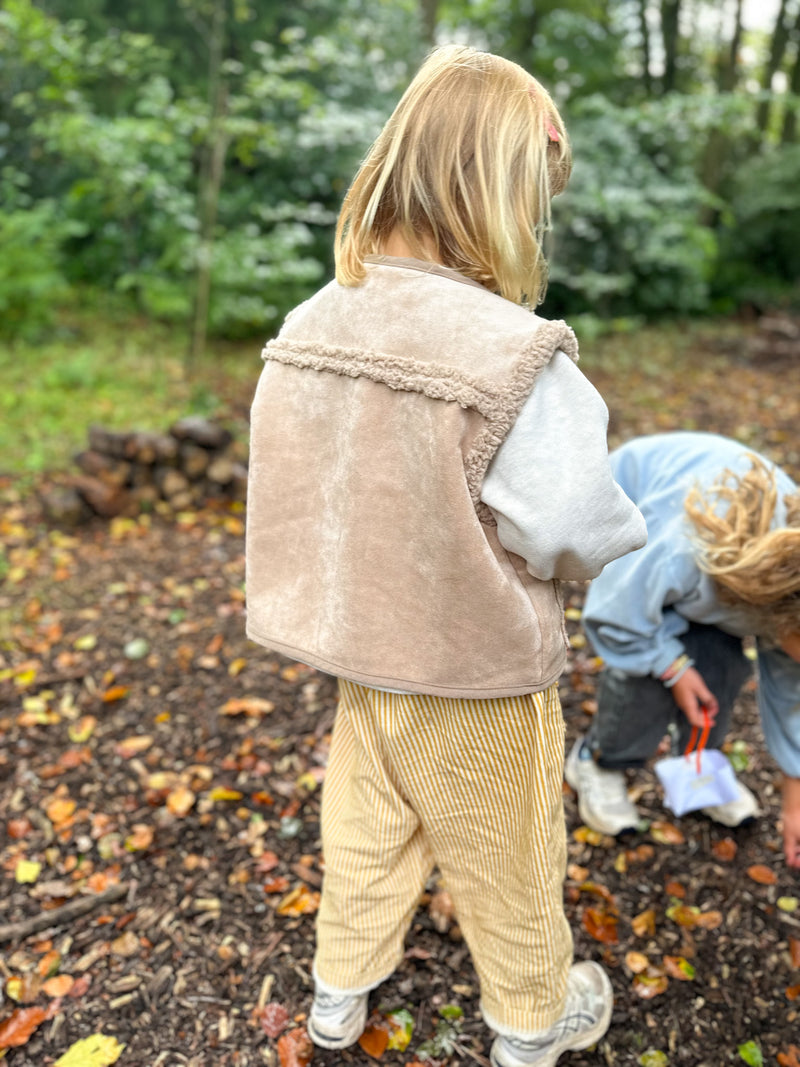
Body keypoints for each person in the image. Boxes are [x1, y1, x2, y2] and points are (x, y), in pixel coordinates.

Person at [245, 45, 646, 1067]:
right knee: (507, 858)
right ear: (506, 195)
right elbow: (569, 525)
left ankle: (337, 997)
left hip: (361, 653)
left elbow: (301, 478)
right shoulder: (512, 353)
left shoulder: (308, 323)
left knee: (365, 833)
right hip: (473, 671)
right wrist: (607, 545)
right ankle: (529, 1023)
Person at [566, 431, 800, 869]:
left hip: (727, 584)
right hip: (648, 539)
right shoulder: (683, 550)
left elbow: (793, 695)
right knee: (649, 680)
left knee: (722, 668)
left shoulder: (783, 599)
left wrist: (795, 799)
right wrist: (671, 667)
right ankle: (598, 762)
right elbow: (617, 613)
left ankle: (696, 766)